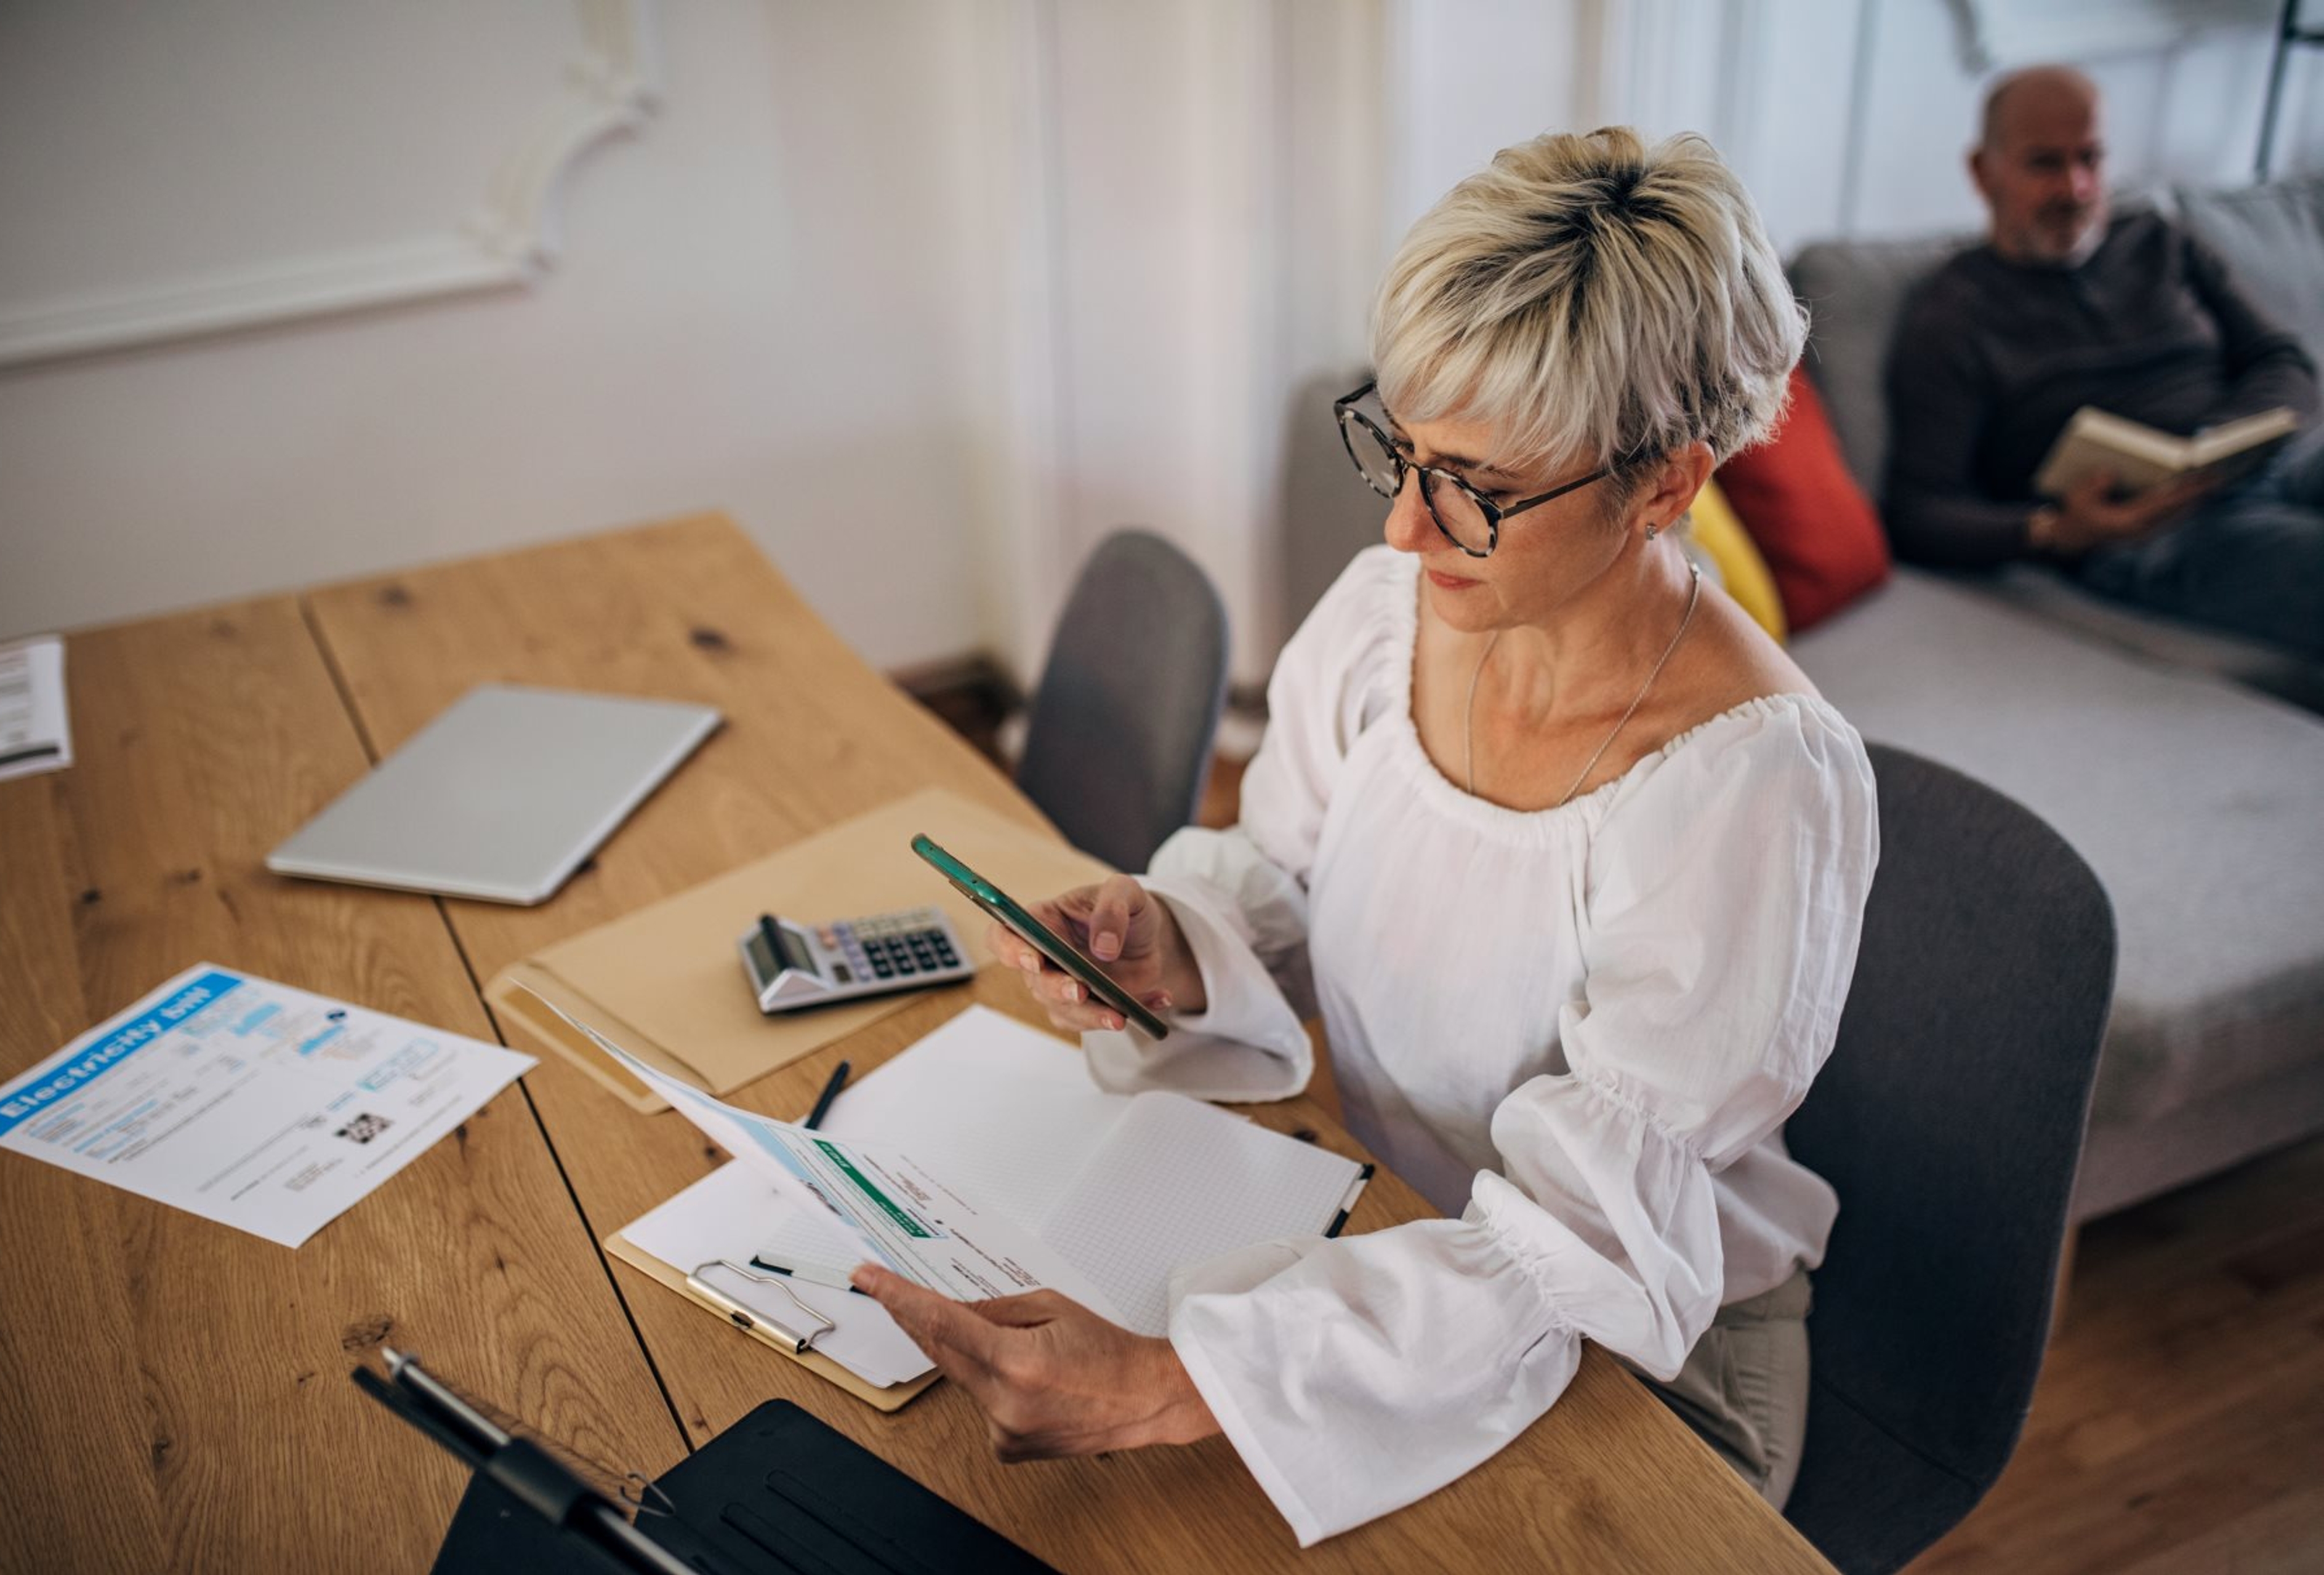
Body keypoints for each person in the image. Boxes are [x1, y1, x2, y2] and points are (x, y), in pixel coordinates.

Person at [852, 129, 1881, 1546]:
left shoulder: (1749, 785)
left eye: (1473, 483)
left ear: (1664, 483)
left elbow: (1581, 1240)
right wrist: (1174, 947)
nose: (1403, 522)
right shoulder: (1395, 609)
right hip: (1400, 1235)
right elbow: (1274, 875)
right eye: (1400, 448)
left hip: (1646, 1351)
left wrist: (1171, 1381)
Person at [1885, 65, 2324, 659]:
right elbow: (1916, 512)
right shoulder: (1954, 315)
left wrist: (2224, 438)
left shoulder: (2157, 241)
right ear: (1983, 172)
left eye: (2091, 159)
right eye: (2045, 164)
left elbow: (2282, 357)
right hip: (2147, 532)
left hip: (2267, 457)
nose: (2076, 189)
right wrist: (2055, 531)